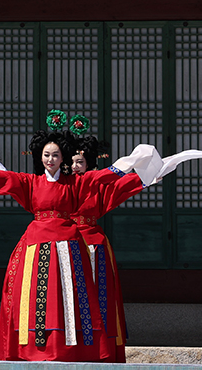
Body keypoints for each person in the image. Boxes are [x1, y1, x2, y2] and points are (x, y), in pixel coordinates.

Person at [0, 111, 129, 362]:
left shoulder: (74, 183)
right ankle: (32, 349)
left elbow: (101, 177)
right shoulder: (30, 182)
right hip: (35, 245)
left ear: (62, 157)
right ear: (40, 157)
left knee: (69, 298)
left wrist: (127, 165)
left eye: (55, 155)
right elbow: (5, 179)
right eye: (46, 154)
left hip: (69, 246)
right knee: (33, 298)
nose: (50, 159)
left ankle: (72, 349)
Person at [68, 134, 144, 363]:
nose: (74, 167)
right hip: (64, 244)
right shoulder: (61, 184)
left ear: (90, 164)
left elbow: (123, 185)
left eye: (79, 162)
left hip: (93, 245)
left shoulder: (97, 186)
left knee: (98, 299)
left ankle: (100, 348)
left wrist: (151, 173)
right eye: (70, 162)